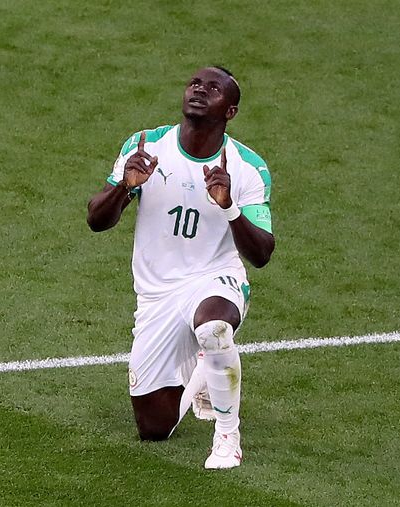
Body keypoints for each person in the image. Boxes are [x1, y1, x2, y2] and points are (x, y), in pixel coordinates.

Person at [87, 66, 274, 469]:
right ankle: (205, 369)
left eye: (214, 88)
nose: (199, 90)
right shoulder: (144, 145)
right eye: (194, 83)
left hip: (214, 279)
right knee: (154, 428)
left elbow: (261, 253)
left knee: (213, 327)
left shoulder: (247, 167)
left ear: (231, 112)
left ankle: (227, 438)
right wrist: (126, 186)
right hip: (156, 295)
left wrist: (229, 207)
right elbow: (96, 220)